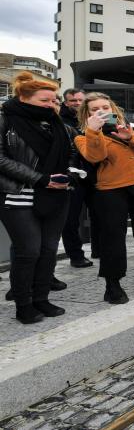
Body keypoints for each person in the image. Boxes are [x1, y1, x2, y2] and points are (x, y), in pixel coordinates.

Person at [0, 72, 77, 323]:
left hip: (56, 195)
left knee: (48, 250)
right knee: (28, 251)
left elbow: (72, 155)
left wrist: (70, 175)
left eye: (54, 100)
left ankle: (41, 299)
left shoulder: (60, 126)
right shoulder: (5, 120)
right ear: (24, 97)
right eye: (45, 100)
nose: (52, 105)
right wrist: (40, 179)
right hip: (18, 193)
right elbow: (1, 159)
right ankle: (23, 304)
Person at [76, 92, 134, 302]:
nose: (101, 111)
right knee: (112, 237)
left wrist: (130, 137)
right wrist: (94, 131)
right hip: (110, 190)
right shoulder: (83, 136)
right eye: (95, 109)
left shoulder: (132, 128)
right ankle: (112, 283)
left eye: (105, 107)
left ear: (113, 108)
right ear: (87, 114)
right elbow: (95, 156)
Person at [58, 87, 96, 271]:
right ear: (66, 102)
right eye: (73, 100)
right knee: (71, 219)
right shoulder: (59, 121)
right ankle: (76, 255)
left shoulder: (92, 118)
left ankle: (98, 249)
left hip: (95, 174)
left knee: (100, 214)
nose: (78, 103)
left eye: (81, 100)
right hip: (74, 176)